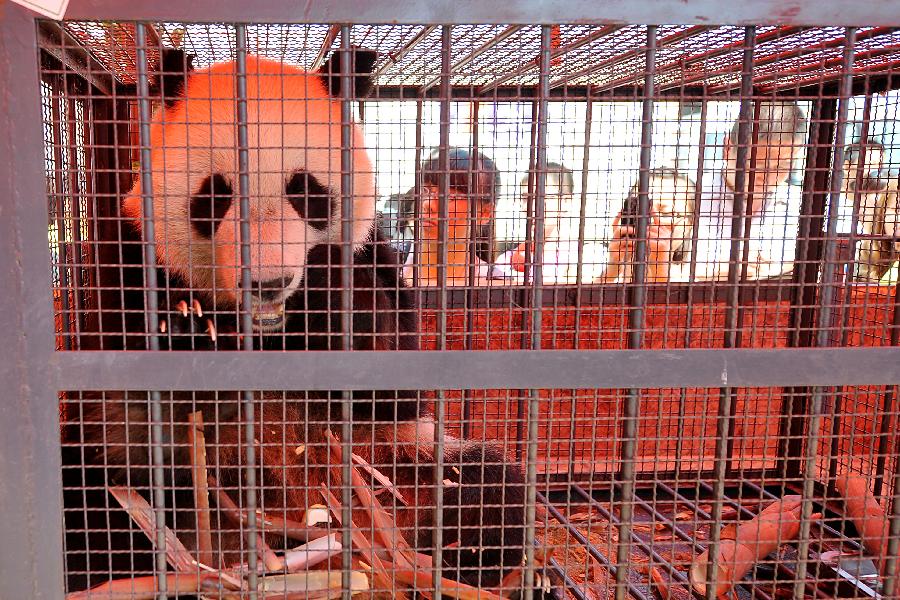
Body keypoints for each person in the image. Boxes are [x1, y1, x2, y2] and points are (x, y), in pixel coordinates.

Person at [606, 101, 807, 281]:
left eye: (783, 165)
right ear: (727, 148)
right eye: (757, 164)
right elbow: (636, 269)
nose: (769, 176)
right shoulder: (683, 198)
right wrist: (713, 274)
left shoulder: (802, 207)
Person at [402, 147, 505, 286]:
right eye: (425, 190)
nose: (428, 203)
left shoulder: (496, 282)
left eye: (448, 196)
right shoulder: (386, 263)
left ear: (484, 213)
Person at [493, 163, 605, 283]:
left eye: (541, 198)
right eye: (526, 198)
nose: (532, 207)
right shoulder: (505, 261)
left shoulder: (589, 257)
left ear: (565, 201)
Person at [597, 167, 697, 283]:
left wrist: (659, 269)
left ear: (691, 222)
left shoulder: (701, 275)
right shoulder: (590, 260)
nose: (650, 220)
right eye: (639, 210)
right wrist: (611, 270)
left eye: (666, 213)